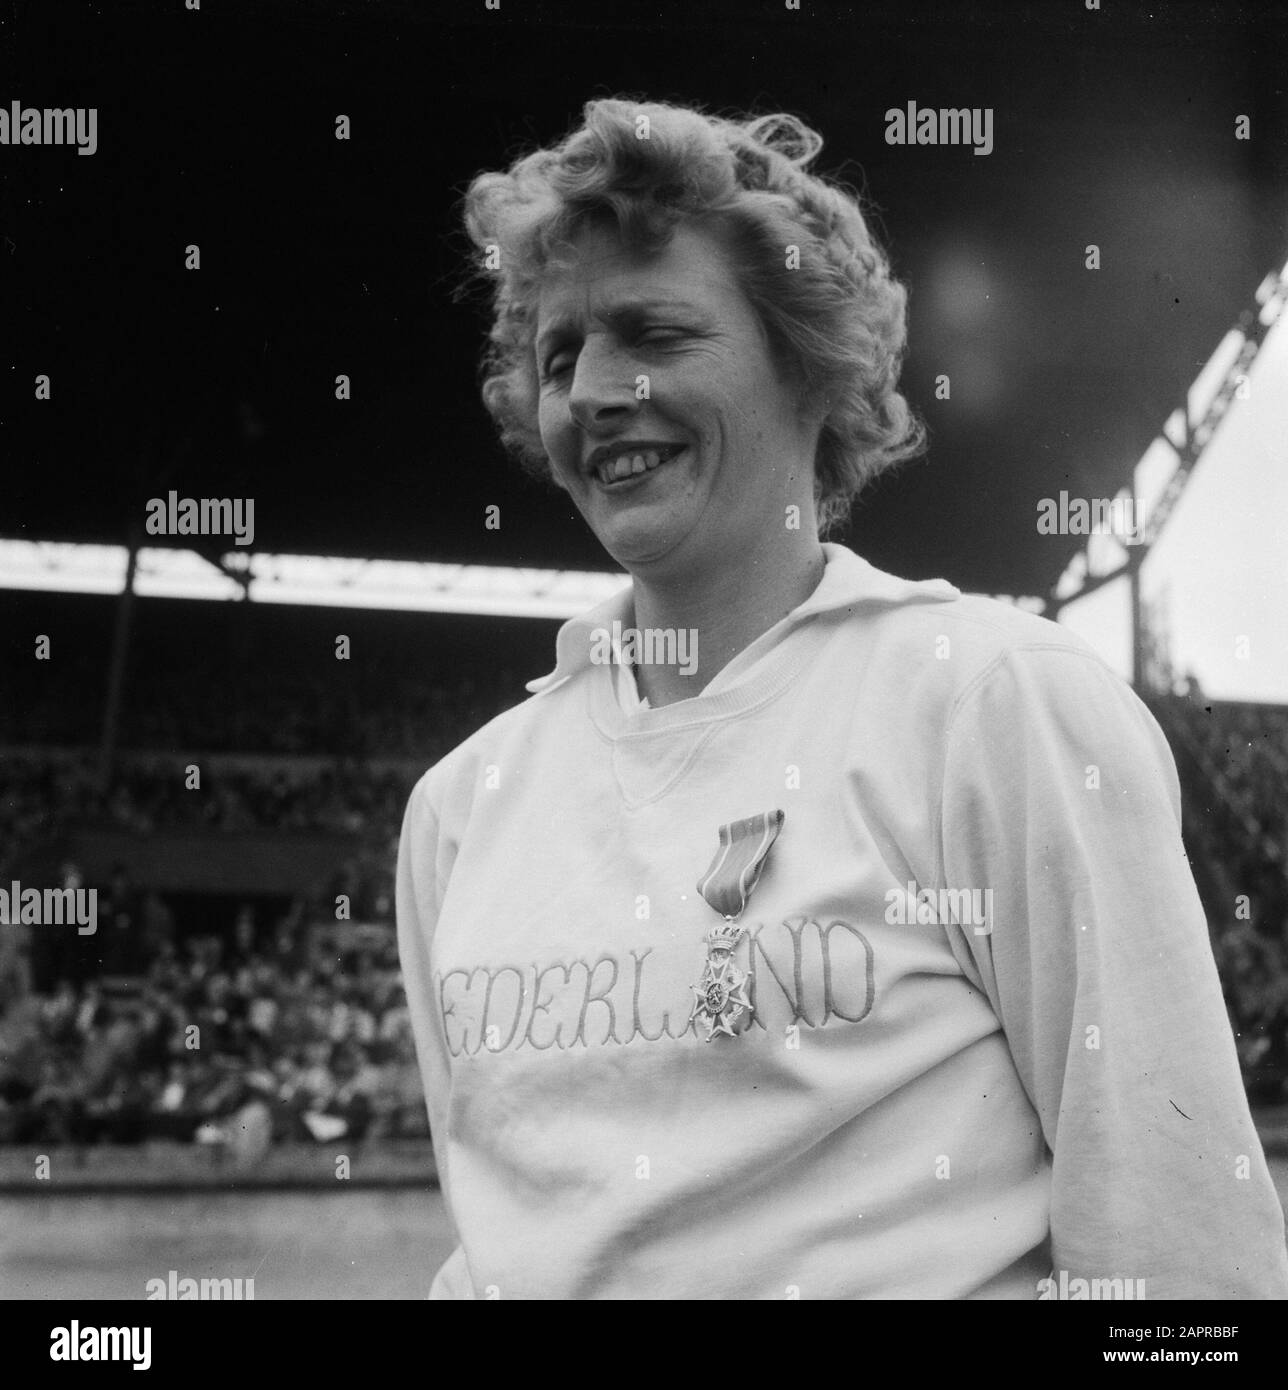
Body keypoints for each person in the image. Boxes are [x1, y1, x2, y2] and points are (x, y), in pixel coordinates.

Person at [396, 97, 1288, 1299]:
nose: (597, 390)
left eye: (653, 331)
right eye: (559, 357)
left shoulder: (995, 706)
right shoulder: (461, 808)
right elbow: (500, 1241)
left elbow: (1182, 1262)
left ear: (807, 361)